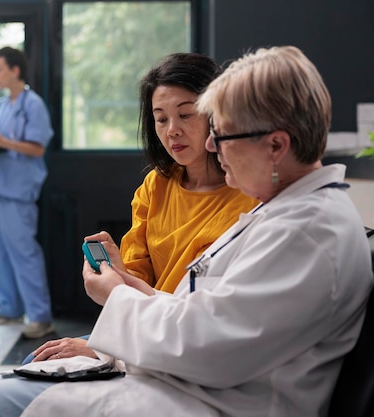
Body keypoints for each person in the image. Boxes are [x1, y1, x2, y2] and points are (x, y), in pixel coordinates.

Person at [0, 45, 374, 417]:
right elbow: (201, 314)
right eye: (162, 119)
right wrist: (127, 286)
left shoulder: (304, 233)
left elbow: (206, 346)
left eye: (224, 134)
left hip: (211, 400)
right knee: (15, 384)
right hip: (188, 381)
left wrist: (115, 297)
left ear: (276, 146)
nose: (214, 146)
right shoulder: (285, 214)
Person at [23, 53, 258, 363]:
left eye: (186, 114)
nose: (172, 130)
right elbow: (136, 278)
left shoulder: (250, 196)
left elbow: (217, 317)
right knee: (35, 363)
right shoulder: (155, 185)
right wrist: (116, 274)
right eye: (161, 119)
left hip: (190, 341)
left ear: (218, 115)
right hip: (142, 326)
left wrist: (105, 345)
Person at [0, 47, 55, 339]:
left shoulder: (33, 105)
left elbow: (37, 147)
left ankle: (40, 316)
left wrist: (0, 141)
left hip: (17, 190)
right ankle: (8, 309)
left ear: (15, 70)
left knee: (24, 253)